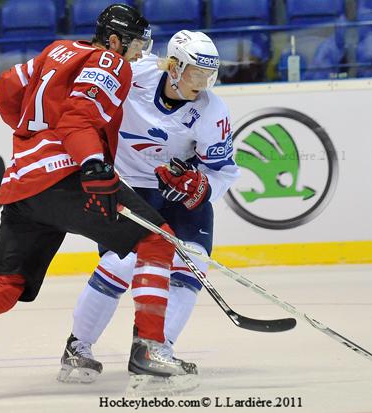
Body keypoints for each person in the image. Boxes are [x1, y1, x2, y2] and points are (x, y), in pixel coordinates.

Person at [0, 4, 194, 407]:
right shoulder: (109, 61)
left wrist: (32, 136)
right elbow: (78, 118)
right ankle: (149, 350)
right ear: (114, 39)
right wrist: (92, 163)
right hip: (67, 175)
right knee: (158, 239)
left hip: (23, 183)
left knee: (7, 284)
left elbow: (6, 89)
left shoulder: (55, 51)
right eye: (134, 44)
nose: (138, 52)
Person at [57, 30, 240, 384]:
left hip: (180, 193)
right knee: (122, 263)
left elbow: (223, 172)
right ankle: (77, 346)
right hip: (129, 187)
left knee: (191, 265)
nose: (202, 83)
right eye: (195, 73)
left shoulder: (212, 111)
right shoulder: (133, 74)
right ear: (174, 66)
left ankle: (159, 350)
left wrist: (200, 188)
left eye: (208, 75)